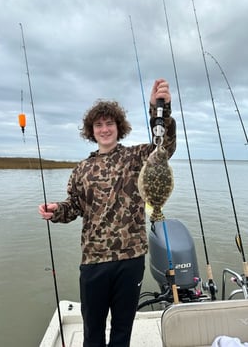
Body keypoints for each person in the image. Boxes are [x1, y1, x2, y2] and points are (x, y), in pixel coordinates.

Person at [38, 78, 176, 347]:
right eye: (98, 125)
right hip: (93, 261)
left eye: (109, 123)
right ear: (91, 131)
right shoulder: (81, 169)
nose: (104, 129)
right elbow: (74, 207)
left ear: (118, 127)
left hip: (131, 258)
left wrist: (160, 110)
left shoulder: (137, 157)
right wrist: (57, 210)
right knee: (93, 331)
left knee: (122, 331)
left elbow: (165, 148)